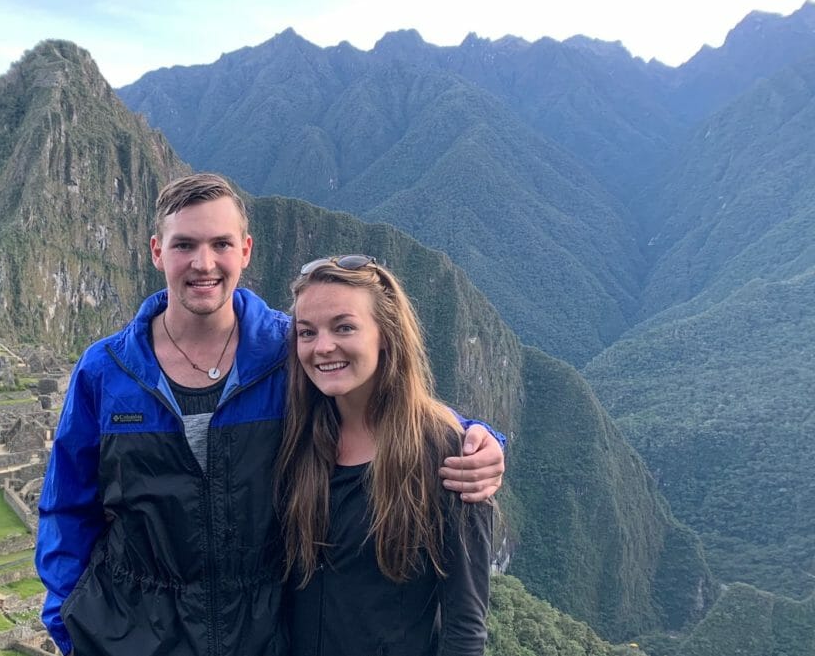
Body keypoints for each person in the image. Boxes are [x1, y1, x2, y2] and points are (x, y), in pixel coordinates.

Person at [36, 174, 504, 656]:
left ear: (246, 250)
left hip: (257, 635)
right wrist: (67, 623)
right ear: (157, 251)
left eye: (221, 243)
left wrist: (479, 438)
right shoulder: (107, 370)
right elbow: (67, 505)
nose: (204, 263)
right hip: (132, 636)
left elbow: (384, 398)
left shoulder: (287, 354)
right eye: (184, 245)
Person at [278, 256, 492, 656]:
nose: (322, 347)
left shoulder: (444, 453)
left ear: (386, 334)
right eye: (307, 332)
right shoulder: (297, 439)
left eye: (344, 327)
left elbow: (465, 624)